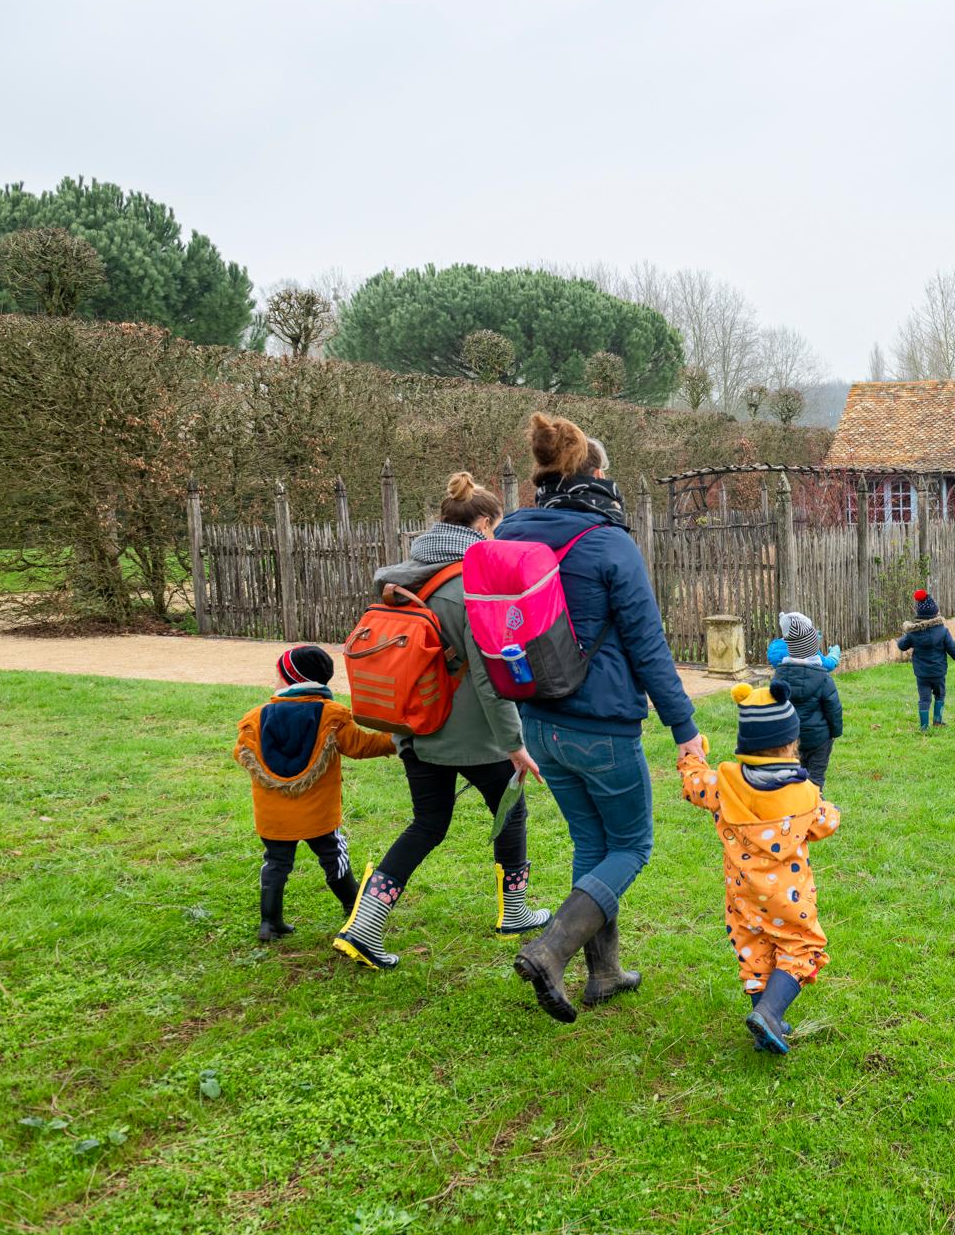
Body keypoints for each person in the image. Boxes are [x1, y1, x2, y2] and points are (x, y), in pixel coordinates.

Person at [500, 415, 701, 1023]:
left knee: (592, 843)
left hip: (539, 721)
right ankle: (552, 950)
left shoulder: (509, 532)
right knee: (632, 846)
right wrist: (685, 728)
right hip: (601, 726)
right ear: (595, 472)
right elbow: (648, 645)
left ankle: (605, 973)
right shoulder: (609, 542)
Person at [333, 473, 550, 971]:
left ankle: (364, 925)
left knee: (428, 824)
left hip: (413, 728)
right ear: (485, 524)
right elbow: (490, 679)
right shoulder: (471, 587)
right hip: (471, 734)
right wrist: (515, 744)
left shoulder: (401, 579)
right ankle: (515, 910)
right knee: (510, 811)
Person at [676, 682, 842, 1055]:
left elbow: (693, 785)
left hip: (742, 896)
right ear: (791, 744)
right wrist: (830, 810)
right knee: (802, 948)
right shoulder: (804, 794)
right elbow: (826, 823)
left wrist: (692, 757)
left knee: (755, 951)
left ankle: (766, 1025)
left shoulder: (723, 785)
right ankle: (769, 1012)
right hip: (789, 897)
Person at [234, 645, 395, 942]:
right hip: (319, 815)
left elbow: (241, 753)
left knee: (276, 863)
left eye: (278, 675)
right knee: (334, 856)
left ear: (291, 679)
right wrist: (396, 739)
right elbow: (361, 746)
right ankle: (353, 906)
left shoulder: (255, 717)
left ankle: (270, 922)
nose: (275, 681)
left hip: (273, 817)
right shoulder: (331, 715)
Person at [770, 611, 842, 788]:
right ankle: (816, 803)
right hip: (819, 740)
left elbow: (774, 708)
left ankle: (794, 803)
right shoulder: (823, 678)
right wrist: (835, 732)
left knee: (793, 779)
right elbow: (833, 709)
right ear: (813, 647)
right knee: (815, 779)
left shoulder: (778, 677)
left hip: (789, 740)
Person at [895, 588, 955, 730]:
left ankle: (924, 726)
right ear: (935, 613)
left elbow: (901, 645)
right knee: (940, 694)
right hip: (938, 672)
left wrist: (907, 632)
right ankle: (938, 721)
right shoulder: (942, 631)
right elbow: (952, 648)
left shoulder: (913, 633)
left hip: (922, 674)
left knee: (924, 698)